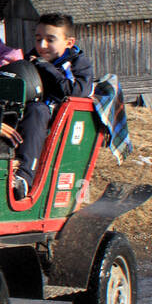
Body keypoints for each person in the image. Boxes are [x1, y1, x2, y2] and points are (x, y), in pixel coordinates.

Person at [9, 13, 94, 200]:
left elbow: (75, 91)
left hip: (57, 121)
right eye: (39, 39)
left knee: (37, 110)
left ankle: (24, 177)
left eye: (50, 39)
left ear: (69, 42)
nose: (42, 46)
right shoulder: (30, 58)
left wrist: (46, 67)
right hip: (27, 114)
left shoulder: (78, 64)